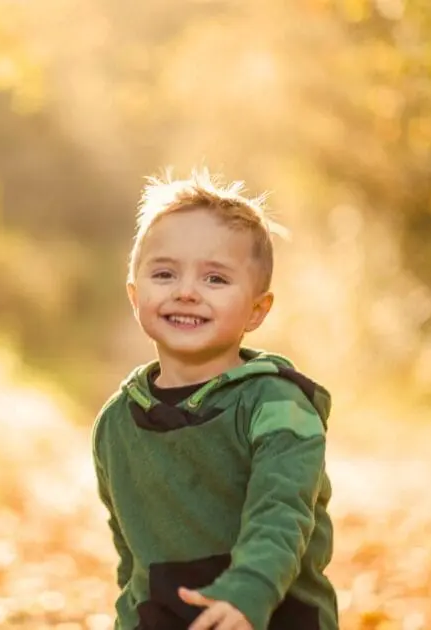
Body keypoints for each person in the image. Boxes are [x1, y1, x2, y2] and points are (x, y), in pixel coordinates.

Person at [91, 169, 338, 630]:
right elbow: (132, 559)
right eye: (165, 273)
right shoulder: (117, 423)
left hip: (276, 616)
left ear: (257, 310)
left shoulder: (278, 404)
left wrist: (247, 594)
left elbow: (282, 510)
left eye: (215, 279)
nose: (186, 291)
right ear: (134, 294)